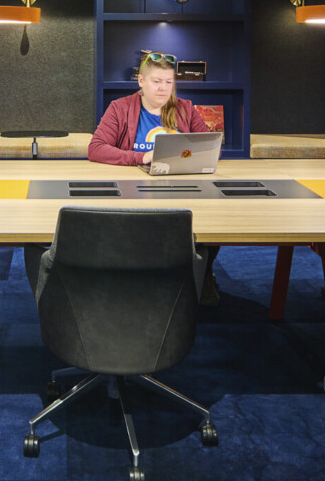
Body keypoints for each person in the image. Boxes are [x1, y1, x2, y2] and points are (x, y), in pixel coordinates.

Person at [84, 50, 222, 305]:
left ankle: (203, 275)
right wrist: (142, 158)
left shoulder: (185, 108)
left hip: (182, 186)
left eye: (168, 82)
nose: (163, 88)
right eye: (157, 82)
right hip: (135, 189)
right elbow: (96, 148)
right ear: (141, 82)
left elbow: (209, 144)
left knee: (214, 214)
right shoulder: (120, 108)